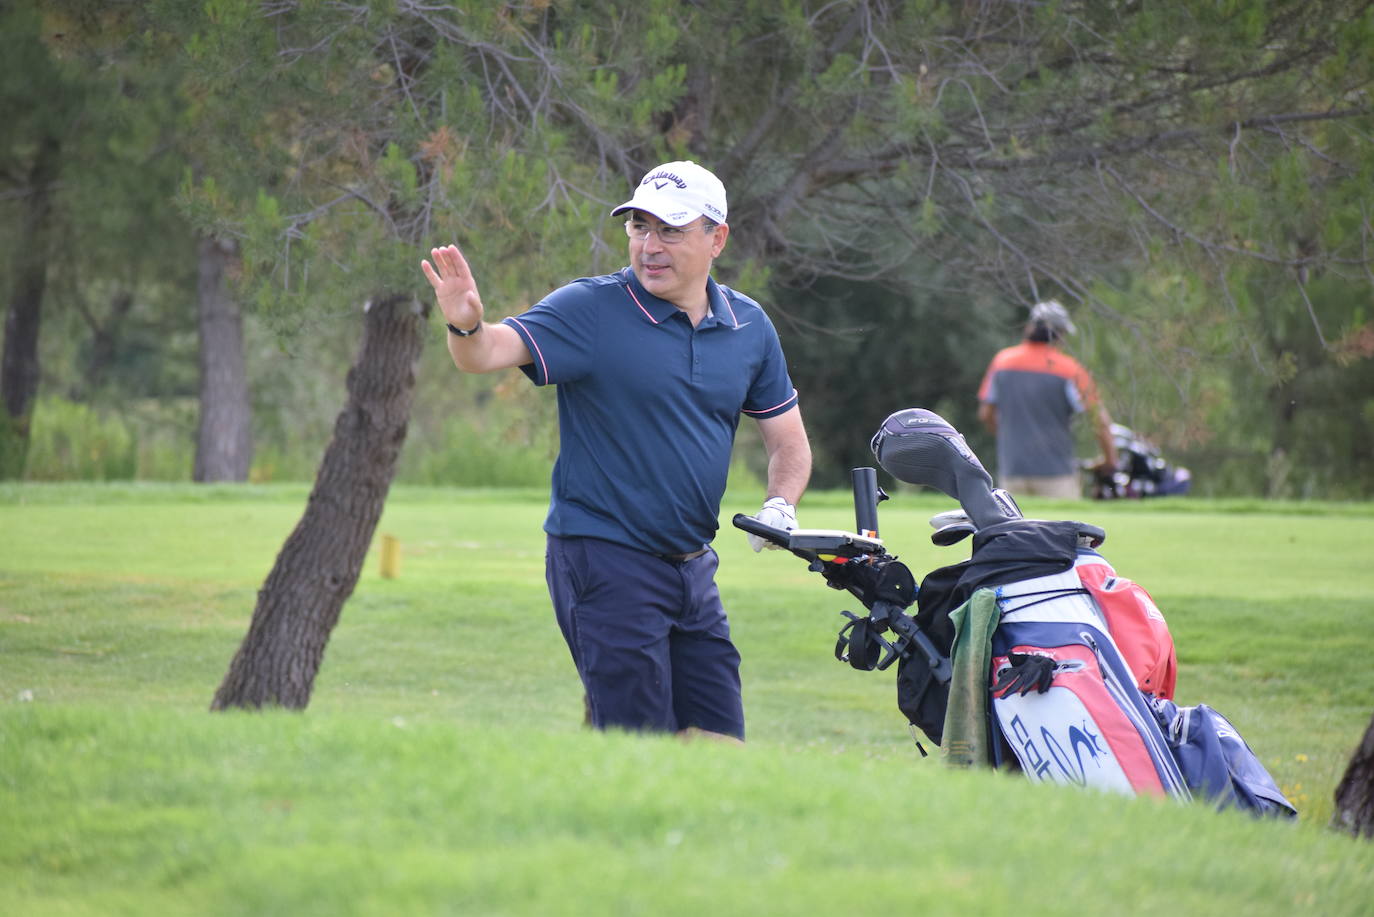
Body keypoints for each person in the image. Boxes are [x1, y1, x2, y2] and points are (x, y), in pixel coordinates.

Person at [420, 160, 811, 742]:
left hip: (693, 567)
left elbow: (789, 442)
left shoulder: (748, 326)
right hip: (604, 559)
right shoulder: (592, 309)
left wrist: (781, 503)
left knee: (720, 746)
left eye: (671, 231)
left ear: (717, 238)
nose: (649, 246)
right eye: (638, 227)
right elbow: (486, 354)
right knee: (640, 748)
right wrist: (467, 327)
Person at [976, 299, 1117, 499]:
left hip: (1013, 471)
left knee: (1015, 529)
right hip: (1057, 475)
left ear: (1029, 328)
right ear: (1060, 334)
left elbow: (985, 415)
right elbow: (1099, 421)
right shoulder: (1069, 369)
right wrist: (1110, 461)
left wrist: (1011, 439)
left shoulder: (1002, 362)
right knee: (1060, 530)